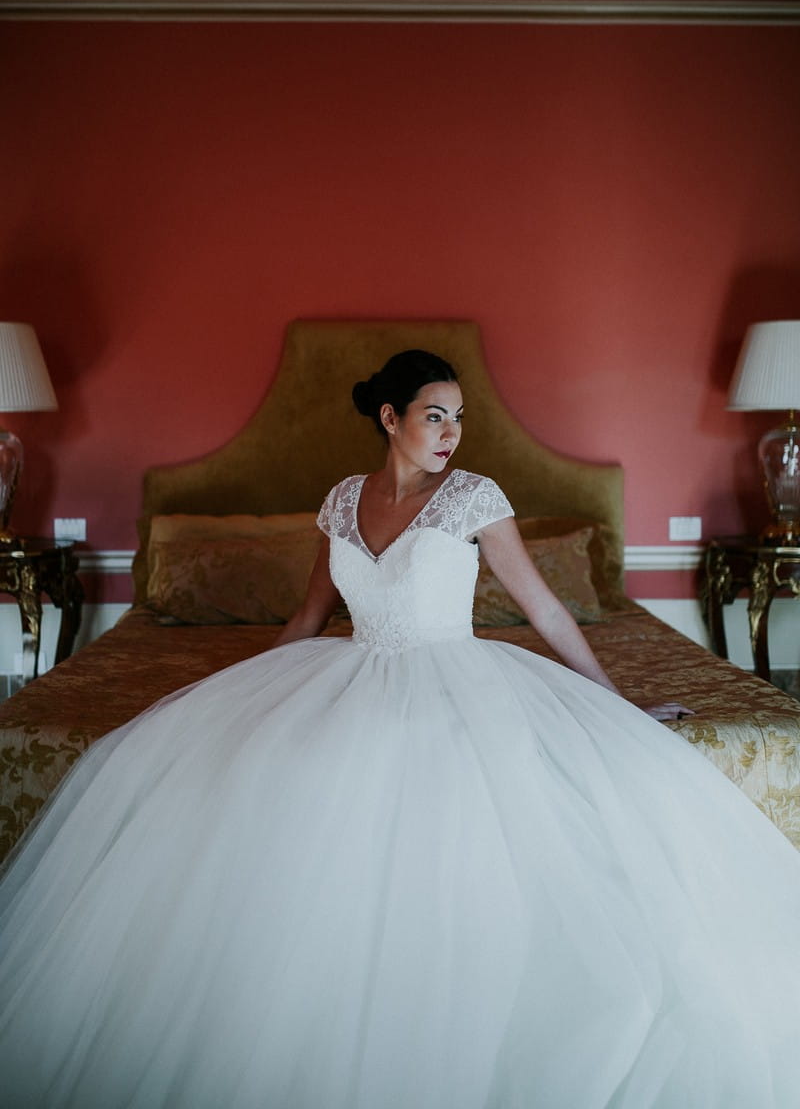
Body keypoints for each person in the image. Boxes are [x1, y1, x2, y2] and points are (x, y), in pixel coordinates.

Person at [1, 348, 800, 1109]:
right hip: (349, 669)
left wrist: (615, 701)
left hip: (461, 679)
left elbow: (544, 606)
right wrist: (236, 695)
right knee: (271, 772)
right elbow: (311, 615)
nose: (451, 433)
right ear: (391, 417)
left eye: (459, 417)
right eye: (434, 415)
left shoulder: (475, 498)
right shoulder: (342, 500)